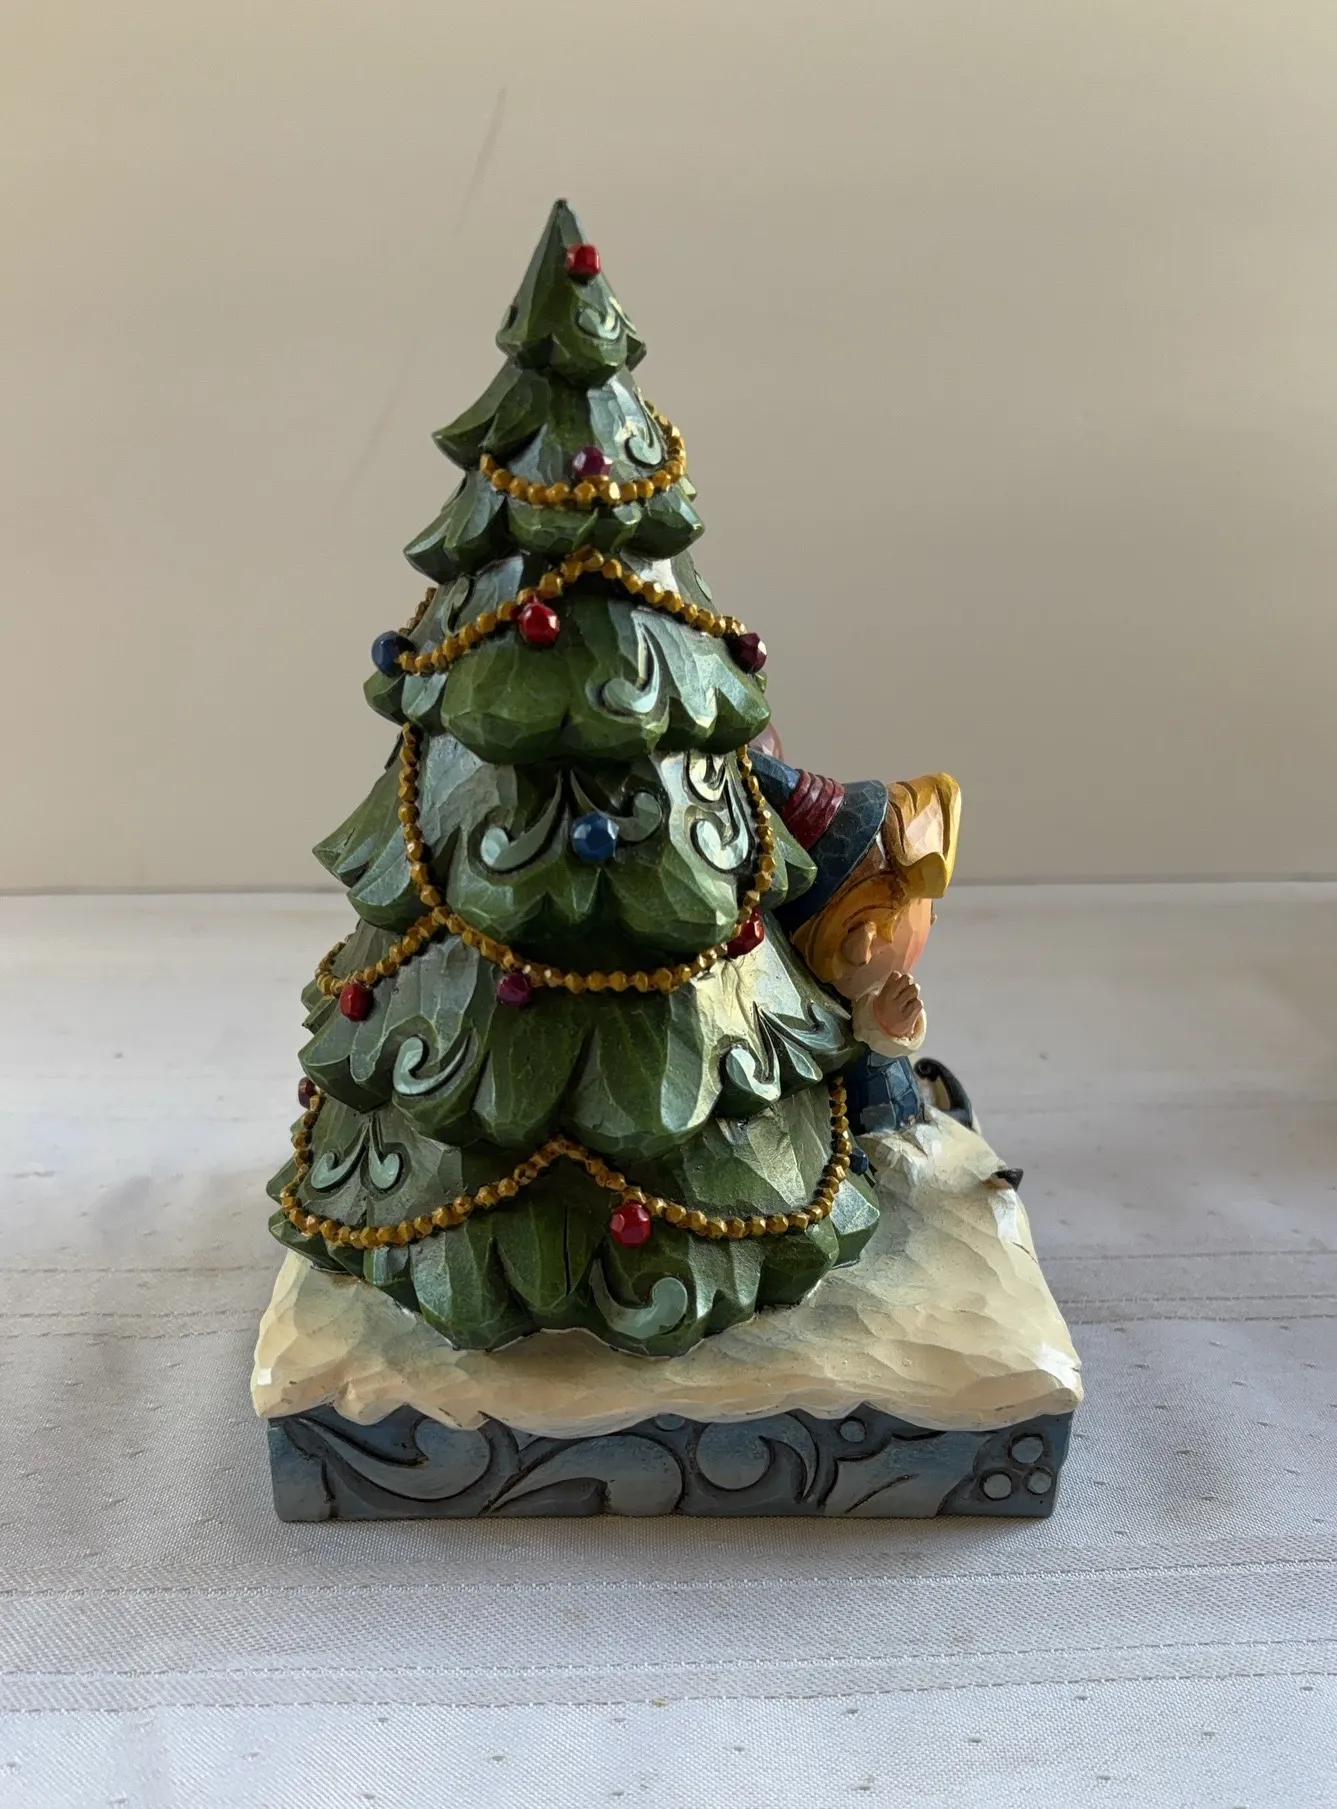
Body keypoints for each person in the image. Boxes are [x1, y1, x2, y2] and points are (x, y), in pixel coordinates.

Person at [748, 738, 961, 1141]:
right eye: (919, 910)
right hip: (857, 1129)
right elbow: (842, 1046)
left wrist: (887, 1025)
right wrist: (881, 1024)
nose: (932, 917)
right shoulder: (811, 1005)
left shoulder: (852, 986)